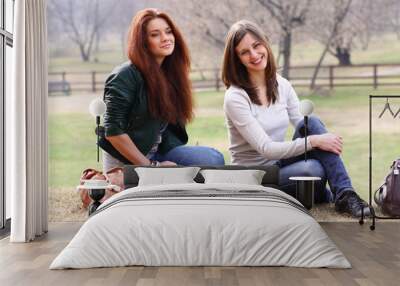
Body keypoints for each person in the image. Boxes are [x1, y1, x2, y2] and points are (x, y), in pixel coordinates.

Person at [221, 20, 369, 217]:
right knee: (312, 170)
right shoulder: (235, 97)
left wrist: (317, 138)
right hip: (255, 175)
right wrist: (315, 141)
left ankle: (344, 193)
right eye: (245, 52)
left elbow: (306, 126)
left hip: (279, 164)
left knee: (312, 122)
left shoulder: (281, 84)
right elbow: (266, 149)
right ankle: (328, 194)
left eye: (256, 46)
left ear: (265, 43)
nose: (254, 55)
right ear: (237, 59)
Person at [99, 8, 224, 171]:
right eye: (155, 34)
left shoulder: (169, 74)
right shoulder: (124, 76)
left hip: (158, 153)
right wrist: (151, 167)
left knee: (213, 158)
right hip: (128, 161)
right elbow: (113, 131)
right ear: (142, 41)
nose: (165, 38)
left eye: (168, 32)